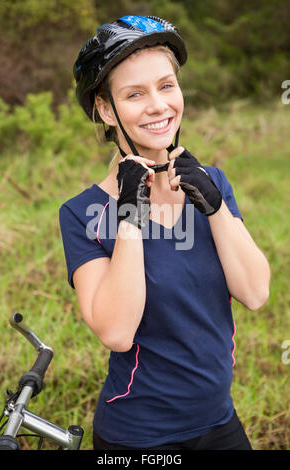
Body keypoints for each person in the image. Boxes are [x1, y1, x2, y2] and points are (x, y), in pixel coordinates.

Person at [59, 15, 270, 450]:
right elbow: (116, 331)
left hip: (220, 423)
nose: (158, 105)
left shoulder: (212, 183)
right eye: (134, 94)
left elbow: (255, 293)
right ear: (104, 110)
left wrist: (213, 207)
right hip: (138, 437)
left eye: (166, 85)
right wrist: (130, 218)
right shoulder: (83, 214)